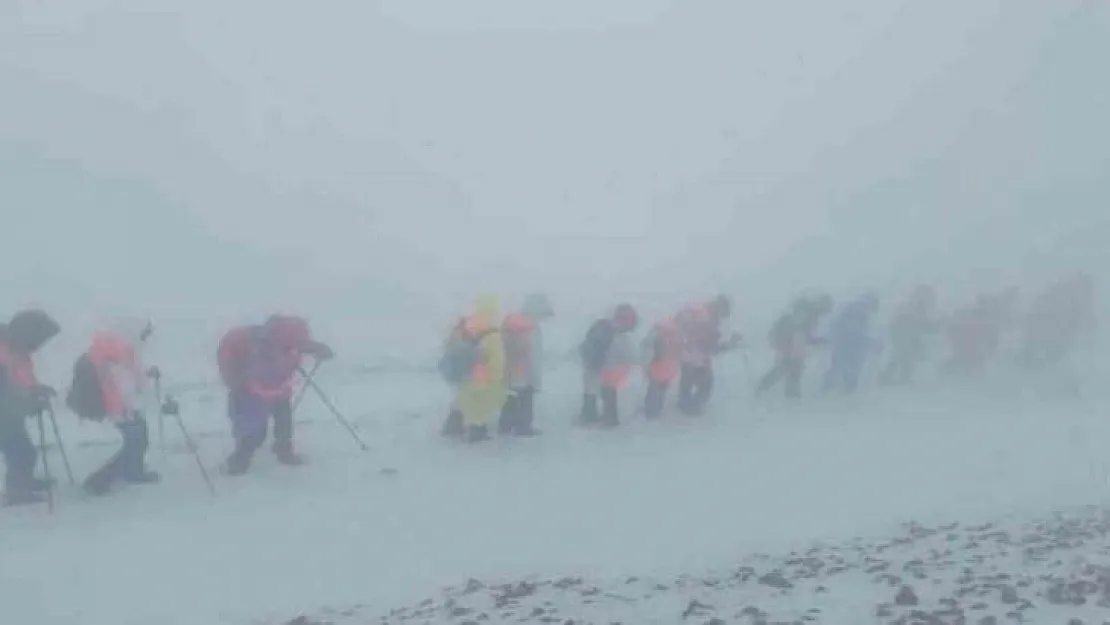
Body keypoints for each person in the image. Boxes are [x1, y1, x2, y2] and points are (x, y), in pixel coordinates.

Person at [217, 315, 333, 475]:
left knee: (284, 419)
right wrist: (241, 386)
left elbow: (301, 344)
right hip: (248, 388)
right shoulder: (252, 348)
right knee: (252, 427)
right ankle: (241, 458)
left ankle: (283, 450)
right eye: (289, 346)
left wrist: (319, 349)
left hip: (277, 385)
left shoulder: (287, 338)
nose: (294, 349)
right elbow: (232, 370)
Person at [68, 318, 161, 495]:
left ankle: (132, 471)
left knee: (138, 439)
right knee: (137, 441)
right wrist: (127, 407)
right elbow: (122, 381)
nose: (147, 335)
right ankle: (100, 479)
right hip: (120, 405)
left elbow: (130, 374)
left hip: (118, 403)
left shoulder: (116, 348)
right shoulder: (120, 351)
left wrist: (147, 374)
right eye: (145, 332)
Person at [0, 309, 61, 506]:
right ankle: (17, 491)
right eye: (39, 338)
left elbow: (23, 381)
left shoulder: (20, 352)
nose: (40, 344)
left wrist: (37, 390)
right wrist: (30, 398)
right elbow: (7, 388)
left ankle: (23, 482)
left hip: (10, 414)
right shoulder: (4, 352)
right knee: (20, 450)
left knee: (19, 449)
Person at [441, 293, 507, 443]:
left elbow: (450, 343)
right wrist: (497, 378)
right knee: (479, 408)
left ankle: (452, 428)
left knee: (463, 401)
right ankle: (477, 434)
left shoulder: (467, 324)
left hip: (464, 372)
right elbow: (496, 359)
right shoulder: (492, 332)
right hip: (482, 376)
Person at [498, 293, 554, 436]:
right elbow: (533, 356)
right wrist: (535, 379)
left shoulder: (511, 322)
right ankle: (523, 427)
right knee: (525, 400)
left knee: (510, 398)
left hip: (509, 370)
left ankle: (505, 425)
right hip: (524, 372)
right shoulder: (530, 328)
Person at [756, 293, 833, 398]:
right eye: (827, 308)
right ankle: (786, 396)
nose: (827, 312)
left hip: (791, 344)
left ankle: (768, 389)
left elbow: (805, 333)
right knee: (788, 369)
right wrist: (809, 343)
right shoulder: (810, 312)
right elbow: (800, 330)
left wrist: (816, 341)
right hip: (792, 344)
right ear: (823, 305)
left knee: (787, 369)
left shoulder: (810, 312)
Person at [674, 294, 741, 415]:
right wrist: (729, 345)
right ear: (720, 307)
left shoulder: (699, 311)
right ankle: (691, 408)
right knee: (705, 385)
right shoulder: (707, 319)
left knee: (687, 382)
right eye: (725, 311)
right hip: (697, 357)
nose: (725, 315)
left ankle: (684, 404)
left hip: (685, 354)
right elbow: (709, 347)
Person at [579, 303, 639, 427]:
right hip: (608, 368)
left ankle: (588, 416)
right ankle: (610, 419)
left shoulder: (600, 328)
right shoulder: (617, 334)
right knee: (608, 393)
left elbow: (585, 346)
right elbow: (625, 354)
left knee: (591, 391)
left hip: (593, 365)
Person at [880, 285, 939, 385]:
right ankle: (887, 377)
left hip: (910, 337)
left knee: (905, 358)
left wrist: (931, 328)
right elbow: (914, 322)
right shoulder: (909, 308)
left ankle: (901, 378)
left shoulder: (918, 309)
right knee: (900, 356)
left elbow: (924, 324)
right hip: (903, 337)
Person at [822, 293, 881, 393]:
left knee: (840, 366)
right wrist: (868, 342)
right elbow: (855, 331)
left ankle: (832, 387)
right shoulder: (858, 312)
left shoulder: (855, 310)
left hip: (844, 343)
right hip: (848, 344)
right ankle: (844, 388)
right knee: (848, 366)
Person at [639, 315, 683, 419]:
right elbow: (680, 351)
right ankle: (658, 407)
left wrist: (645, 366)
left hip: (656, 367)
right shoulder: (678, 334)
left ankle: (650, 410)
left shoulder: (655, 334)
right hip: (670, 368)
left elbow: (646, 349)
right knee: (663, 388)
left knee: (653, 389)